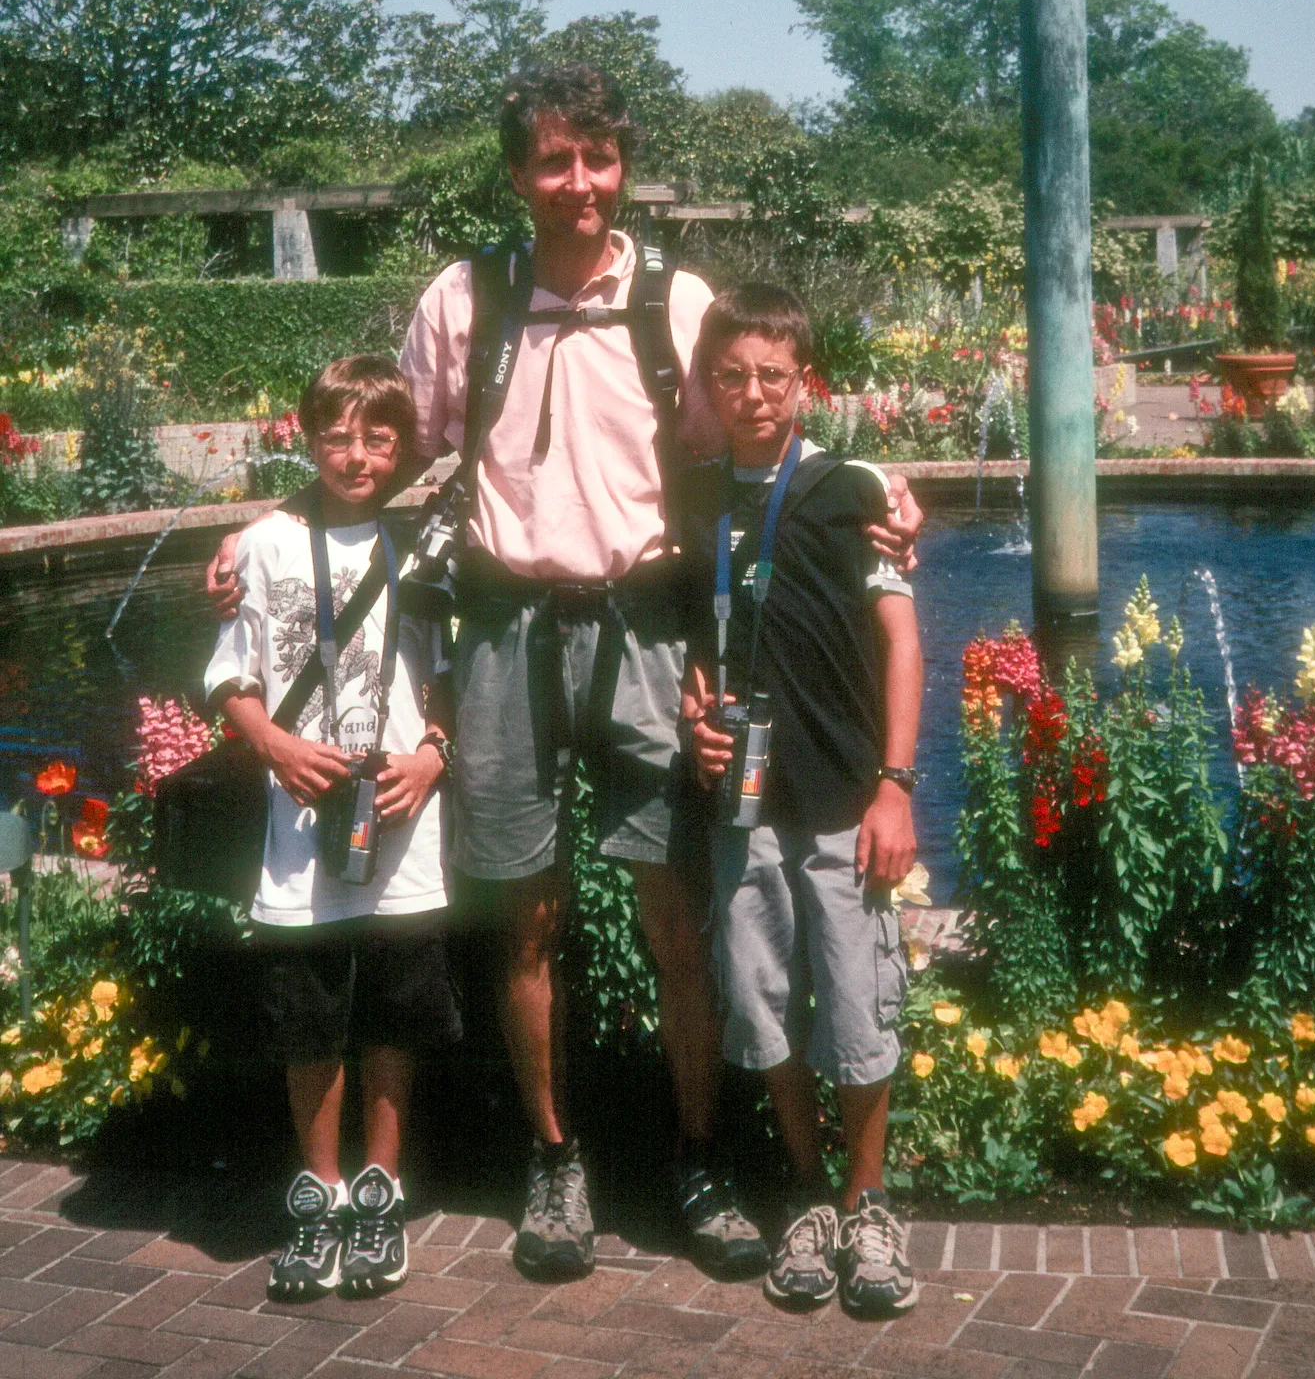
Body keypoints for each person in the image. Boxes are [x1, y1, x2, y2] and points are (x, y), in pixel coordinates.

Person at [208, 62, 926, 1281]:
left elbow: (753, 439)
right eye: (553, 159)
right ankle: (553, 1157)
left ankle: (697, 1151)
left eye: (598, 158)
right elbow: (384, 449)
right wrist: (264, 525)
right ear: (517, 172)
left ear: (623, 166)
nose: (579, 182)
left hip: (647, 627)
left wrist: (878, 492)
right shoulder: (465, 297)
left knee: (676, 912)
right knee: (525, 916)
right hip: (507, 627)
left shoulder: (675, 299)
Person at [683, 284, 922, 1317]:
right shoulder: (692, 497)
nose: (752, 394)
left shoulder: (850, 489)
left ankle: (868, 1201)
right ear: (706, 383)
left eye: (771, 376)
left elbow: (902, 641)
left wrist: (894, 787)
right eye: (731, 376)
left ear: (804, 382)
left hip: (840, 798)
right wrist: (694, 713)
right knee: (761, 1001)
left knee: (857, 1004)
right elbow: (694, 638)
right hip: (743, 805)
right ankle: (809, 1193)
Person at [204, 356, 454, 1302]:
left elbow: (451, 671)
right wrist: (271, 743)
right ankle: (319, 1194)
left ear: (402, 447)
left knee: (394, 1010)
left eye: (378, 439)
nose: (357, 457)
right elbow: (230, 674)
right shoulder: (265, 545)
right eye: (338, 437)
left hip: (398, 814)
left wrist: (432, 755)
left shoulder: (421, 547)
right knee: (308, 1017)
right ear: (307, 437)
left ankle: (379, 1192)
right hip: (302, 824)